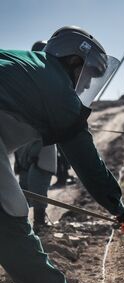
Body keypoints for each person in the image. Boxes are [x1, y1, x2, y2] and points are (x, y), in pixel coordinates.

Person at [0, 26, 124, 283]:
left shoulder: (26, 68)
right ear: (73, 61)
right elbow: (87, 163)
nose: (85, 85)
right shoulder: (55, 86)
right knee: (11, 222)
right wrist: (121, 209)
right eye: (88, 75)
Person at [13, 40, 57, 232]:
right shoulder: (25, 81)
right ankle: (25, 229)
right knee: (23, 192)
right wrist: (18, 155)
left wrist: (35, 151)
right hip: (24, 149)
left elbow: (48, 122)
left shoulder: (52, 84)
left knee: (38, 189)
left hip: (42, 151)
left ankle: (40, 224)